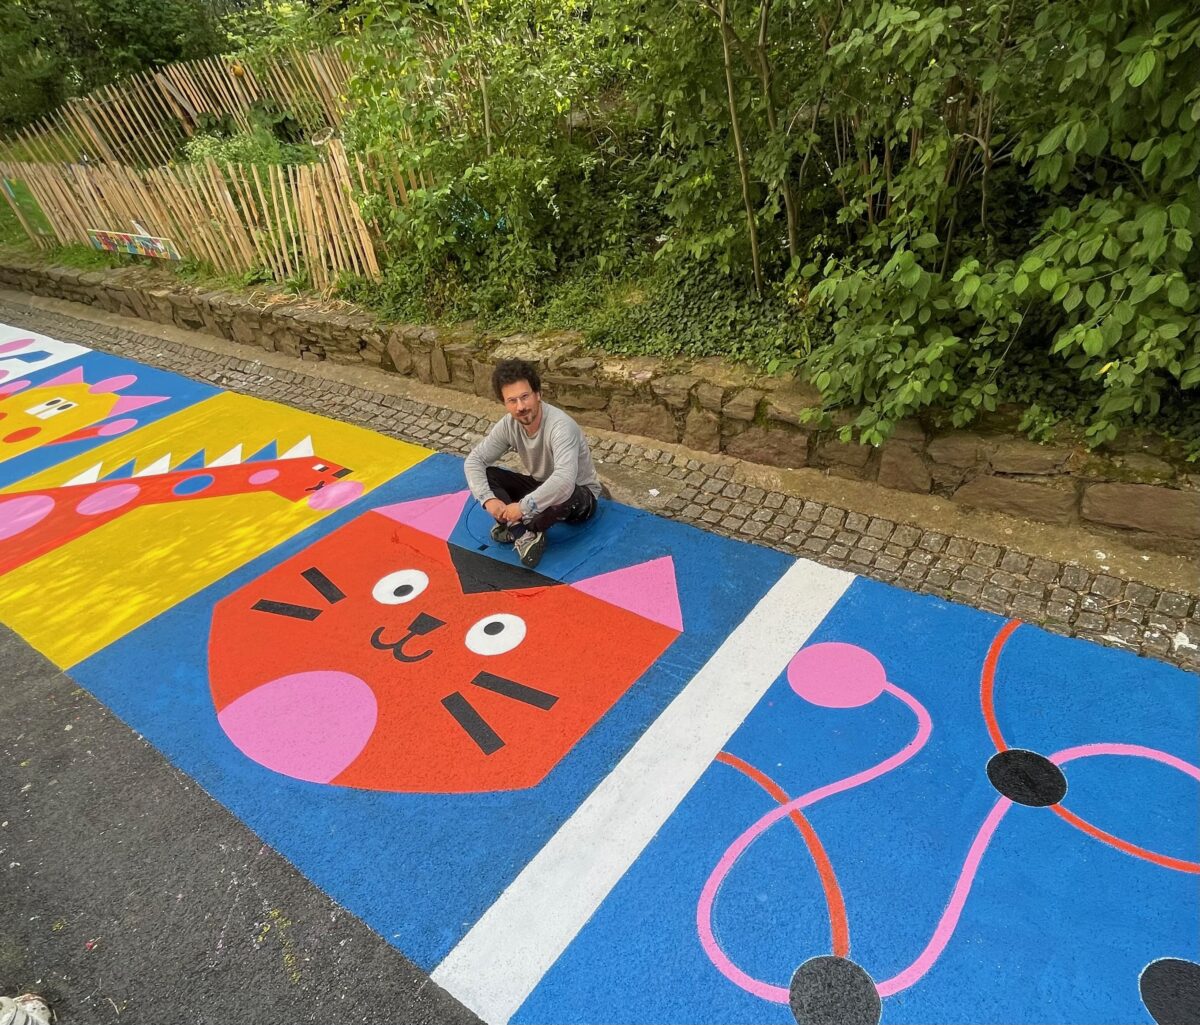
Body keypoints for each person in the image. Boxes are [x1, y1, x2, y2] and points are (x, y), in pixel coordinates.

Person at [464, 358, 602, 569]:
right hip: (540, 486)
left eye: (525, 397)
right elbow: (475, 460)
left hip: (578, 496)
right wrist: (487, 500)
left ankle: (521, 527)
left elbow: (564, 482)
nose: (520, 407)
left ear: (538, 395)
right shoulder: (508, 425)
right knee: (489, 474)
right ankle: (523, 531)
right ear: (504, 403)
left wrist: (522, 507)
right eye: (512, 401)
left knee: (564, 494)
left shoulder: (561, 426)